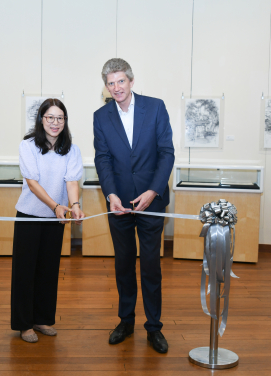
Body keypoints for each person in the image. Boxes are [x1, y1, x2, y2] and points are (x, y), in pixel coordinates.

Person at [93, 58, 175, 353]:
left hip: (151, 202)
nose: (116, 88)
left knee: (151, 266)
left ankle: (154, 327)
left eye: (120, 81)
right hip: (119, 204)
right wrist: (110, 194)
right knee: (123, 264)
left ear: (131, 80)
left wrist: (153, 191)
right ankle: (126, 321)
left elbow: (166, 153)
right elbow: (102, 158)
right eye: (110, 83)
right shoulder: (101, 116)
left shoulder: (155, 107)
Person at [11, 98, 84, 343]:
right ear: (41, 119)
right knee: (25, 271)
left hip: (57, 218)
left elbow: (71, 181)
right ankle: (24, 324)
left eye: (60, 118)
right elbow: (32, 183)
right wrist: (55, 206)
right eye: (50, 117)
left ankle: (42, 319)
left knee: (48, 270)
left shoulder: (71, 149)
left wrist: (74, 205)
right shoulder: (28, 145)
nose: (55, 123)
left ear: (65, 121)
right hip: (30, 216)